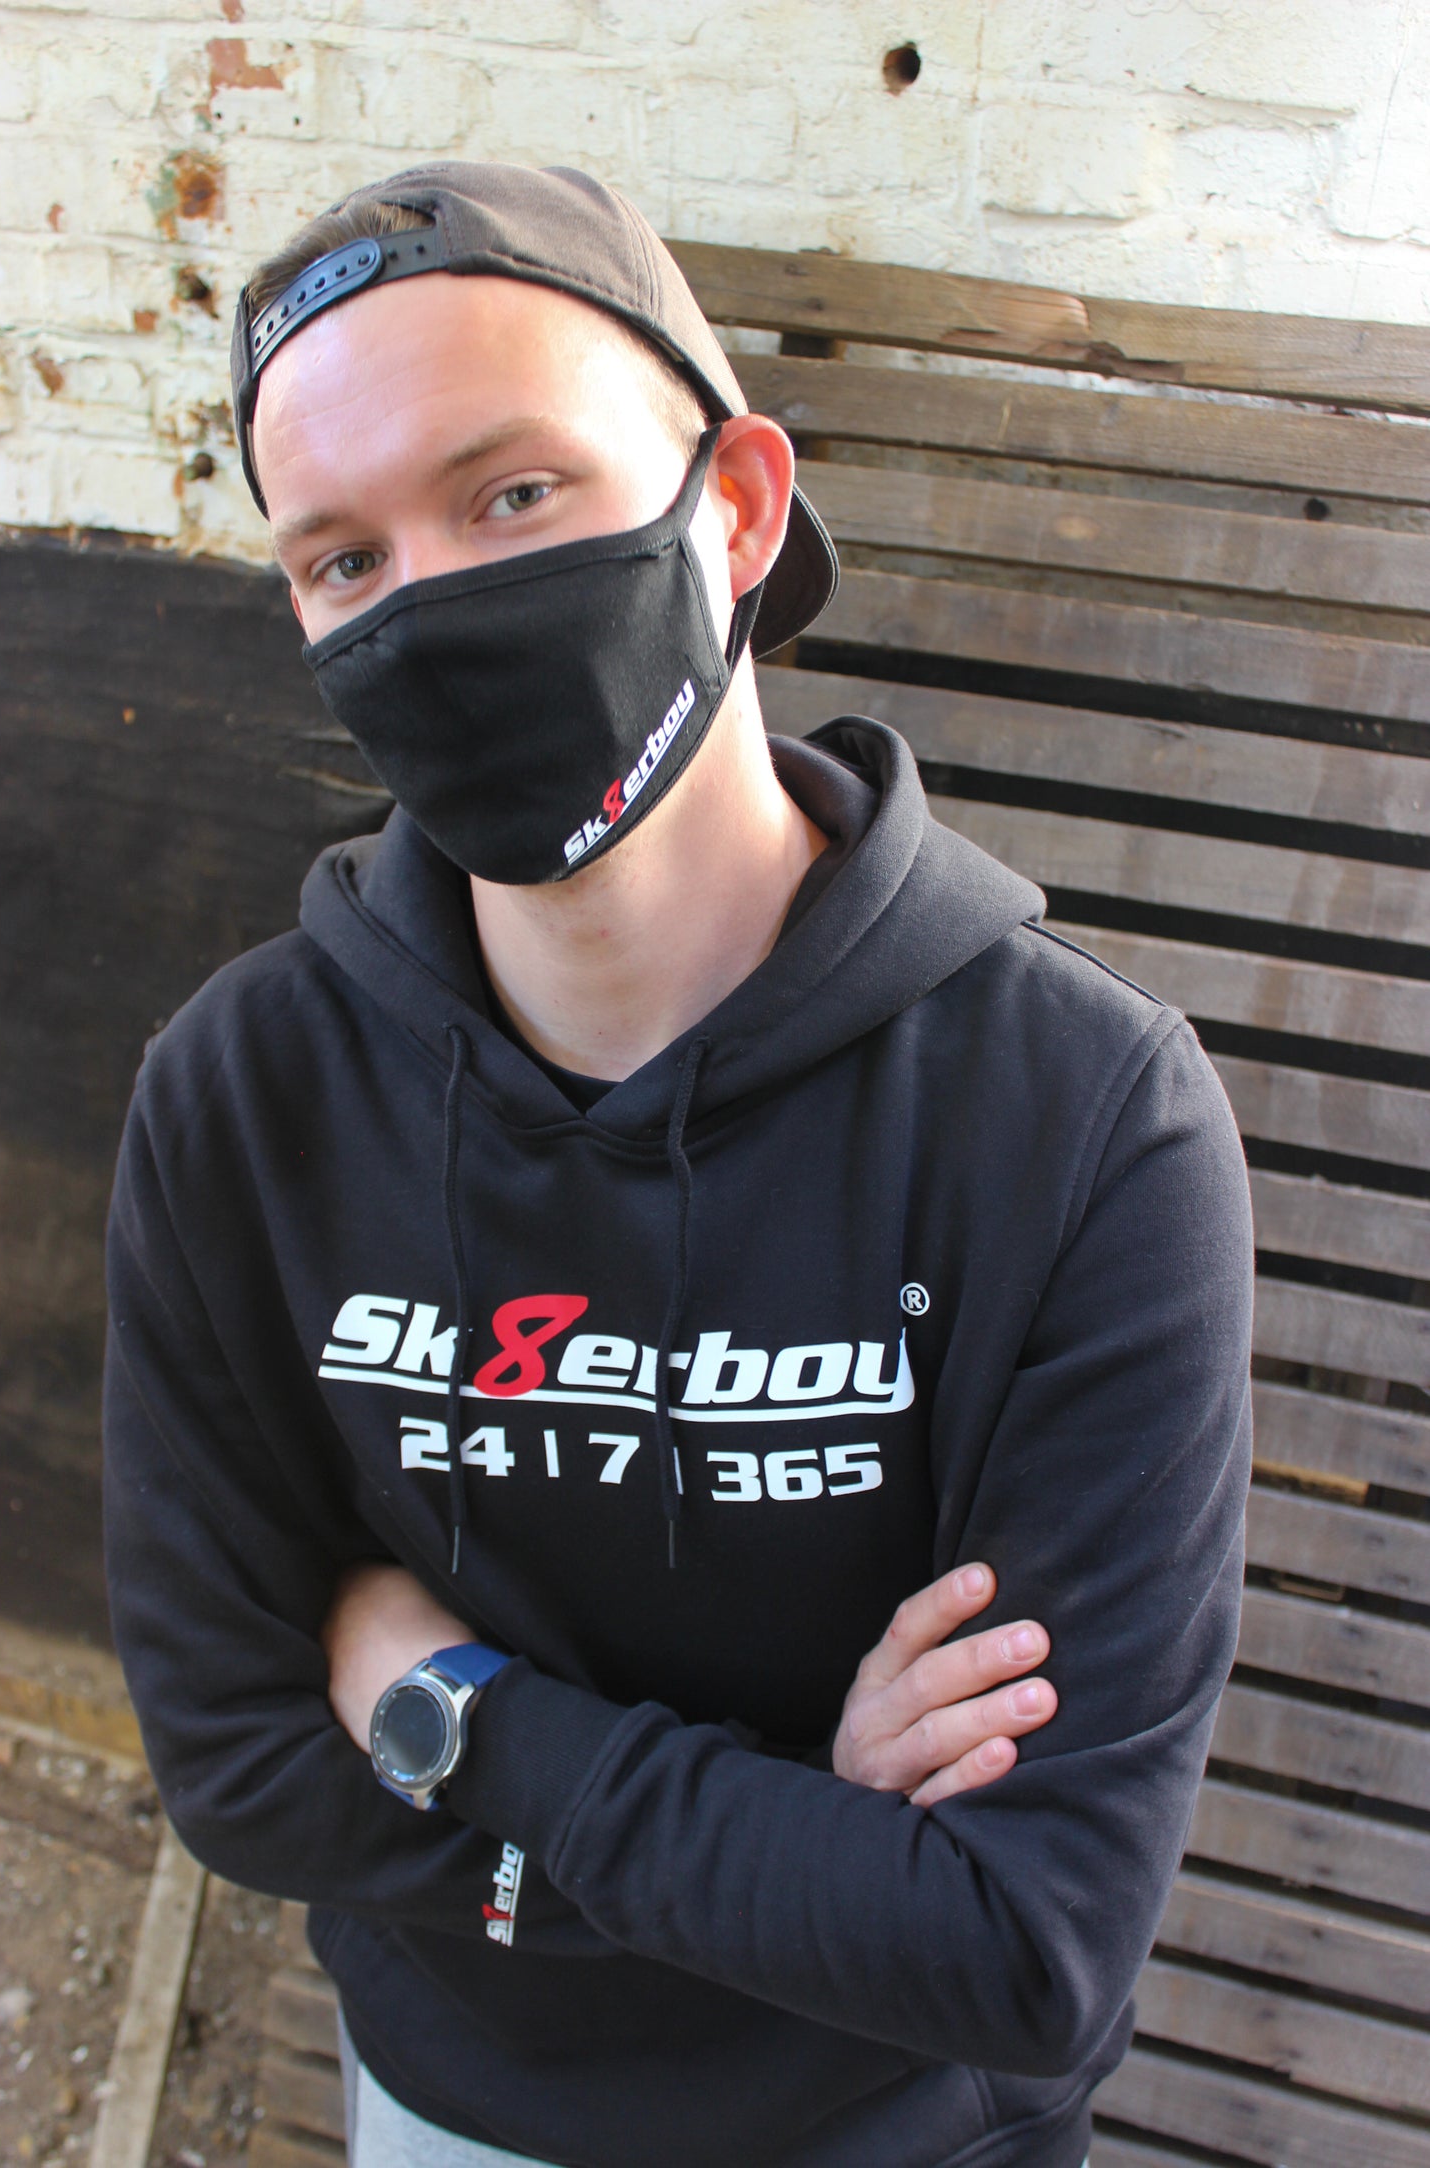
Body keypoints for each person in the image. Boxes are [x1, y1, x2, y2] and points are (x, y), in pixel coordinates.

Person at [102, 163, 1253, 2168]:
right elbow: (234, 1762)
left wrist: (452, 1704)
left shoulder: (1083, 1121)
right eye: (344, 558)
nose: (427, 604)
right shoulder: (242, 1097)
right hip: (450, 2113)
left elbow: (1019, 1944)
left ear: (734, 505)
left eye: (511, 493)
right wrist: (805, 1828)